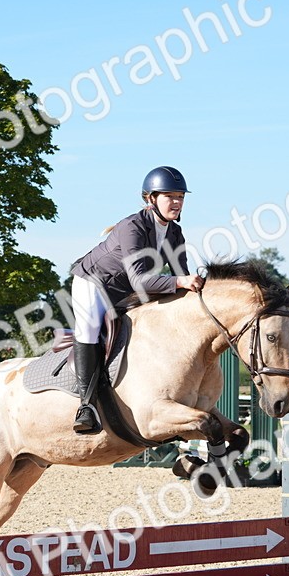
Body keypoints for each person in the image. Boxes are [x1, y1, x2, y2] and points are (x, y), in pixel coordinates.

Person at [67, 165, 203, 434]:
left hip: (126, 289)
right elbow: (142, 280)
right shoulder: (133, 227)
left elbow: (181, 277)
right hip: (94, 283)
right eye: (170, 196)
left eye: (180, 197)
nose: (176, 202)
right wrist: (180, 281)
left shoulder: (175, 233)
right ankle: (86, 406)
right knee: (90, 328)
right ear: (151, 199)